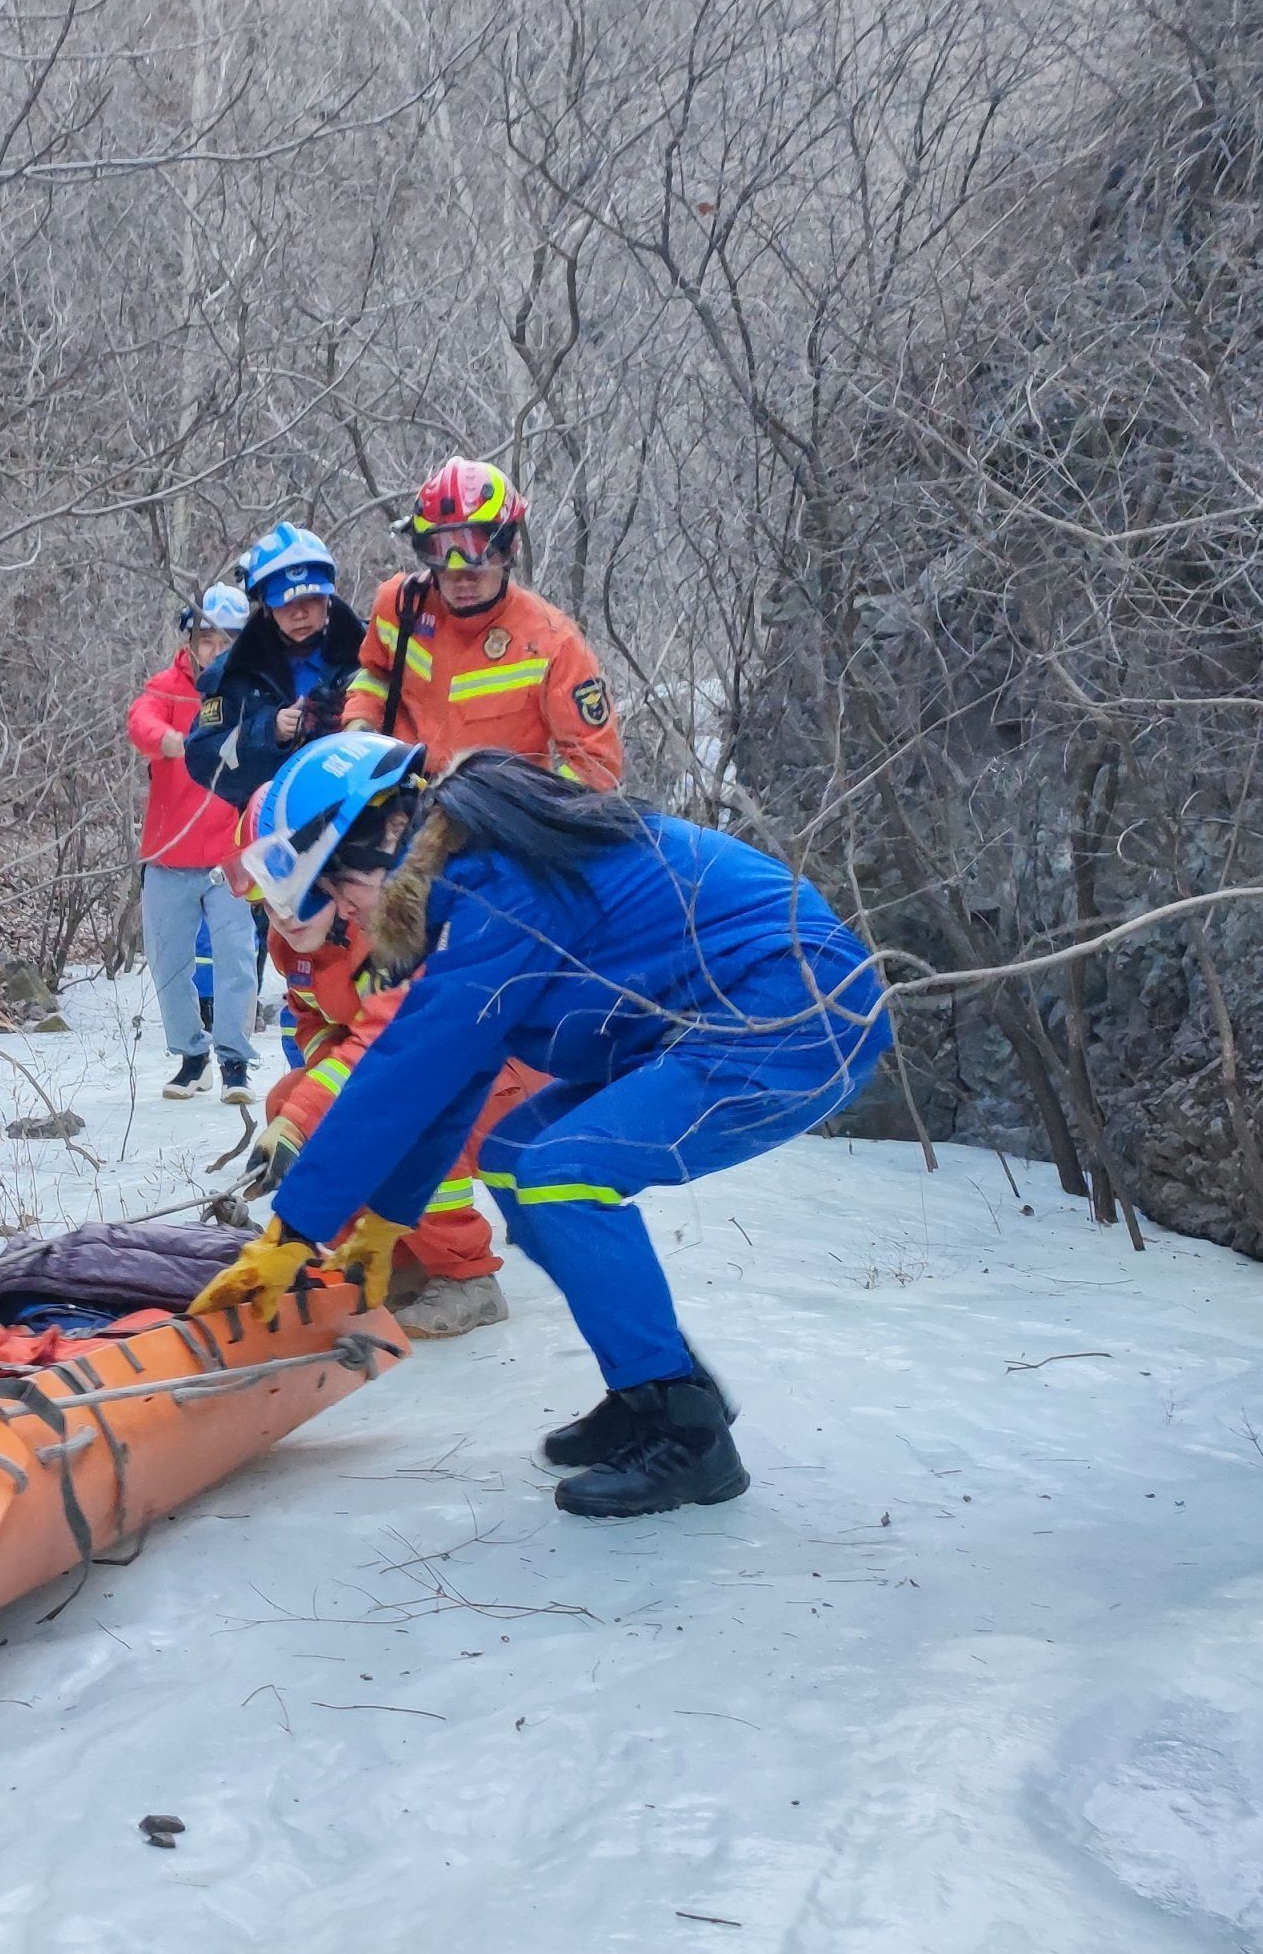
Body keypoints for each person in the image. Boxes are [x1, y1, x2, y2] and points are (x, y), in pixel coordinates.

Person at [198, 738, 886, 1516]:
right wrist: (387, 1220)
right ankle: (650, 1393)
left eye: (333, 895)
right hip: (724, 1018)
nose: (345, 918)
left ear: (363, 846)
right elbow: (459, 1068)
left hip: (797, 1015)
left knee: (561, 1174)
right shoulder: (468, 874)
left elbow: (409, 1066)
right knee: (515, 1150)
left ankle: (686, 1435)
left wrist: (296, 1232)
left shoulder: (491, 885)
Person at [226, 742, 540, 1343]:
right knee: (291, 1100)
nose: (285, 914)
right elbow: (314, 1022)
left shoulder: (391, 920)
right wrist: (320, 1088)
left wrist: (332, 1104)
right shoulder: (294, 946)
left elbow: (412, 1056)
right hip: (398, 1067)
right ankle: (382, 1258)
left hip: (500, 1081)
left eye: (296, 890)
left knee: (405, 1111)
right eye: (268, 899)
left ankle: (466, 1275)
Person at [341, 458, 624, 789]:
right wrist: (358, 728)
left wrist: (532, 807)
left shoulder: (552, 643)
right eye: (443, 551)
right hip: (399, 795)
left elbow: (598, 765)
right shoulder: (401, 606)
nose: (461, 576)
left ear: (508, 550)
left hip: (497, 815)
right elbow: (375, 676)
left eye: (478, 550)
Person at [130, 583, 260, 1099]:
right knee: (168, 963)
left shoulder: (253, 690)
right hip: (169, 853)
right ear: (191, 639)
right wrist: (174, 742)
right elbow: (141, 721)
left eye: (228, 640)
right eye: (208, 638)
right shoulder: (166, 686)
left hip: (230, 853)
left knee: (236, 959)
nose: (217, 649)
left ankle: (234, 1062)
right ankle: (191, 1055)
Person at [181, 520, 367, 816]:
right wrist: (269, 731)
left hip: (367, 820)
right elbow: (203, 761)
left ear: (328, 598)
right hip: (274, 828)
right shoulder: (234, 674)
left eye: (311, 599)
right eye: (285, 602)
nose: (300, 613)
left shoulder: (372, 654)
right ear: (266, 606)